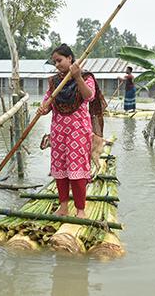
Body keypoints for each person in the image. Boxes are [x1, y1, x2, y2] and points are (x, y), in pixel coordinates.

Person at [37, 43, 106, 219]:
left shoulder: (86, 77)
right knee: (60, 169)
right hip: (59, 131)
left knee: (76, 170)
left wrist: (77, 77)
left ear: (70, 58)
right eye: (54, 62)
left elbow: (89, 96)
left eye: (59, 60)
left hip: (78, 130)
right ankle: (63, 207)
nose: (57, 64)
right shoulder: (54, 82)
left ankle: (80, 210)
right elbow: (47, 104)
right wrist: (42, 109)